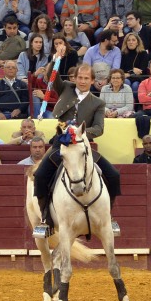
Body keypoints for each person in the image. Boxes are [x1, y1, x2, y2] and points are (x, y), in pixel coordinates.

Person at [32, 61, 121, 237]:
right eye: (79, 77)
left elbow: (99, 128)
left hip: (83, 147)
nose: (82, 81)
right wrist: (56, 58)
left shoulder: (98, 103)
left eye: (86, 78)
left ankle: (107, 216)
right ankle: (46, 219)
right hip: (61, 144)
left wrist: (79, 133)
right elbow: (53, 75)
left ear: (92, 80)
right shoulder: (65, 87)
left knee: (114, 175)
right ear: (75, 78)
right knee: (40, 175)